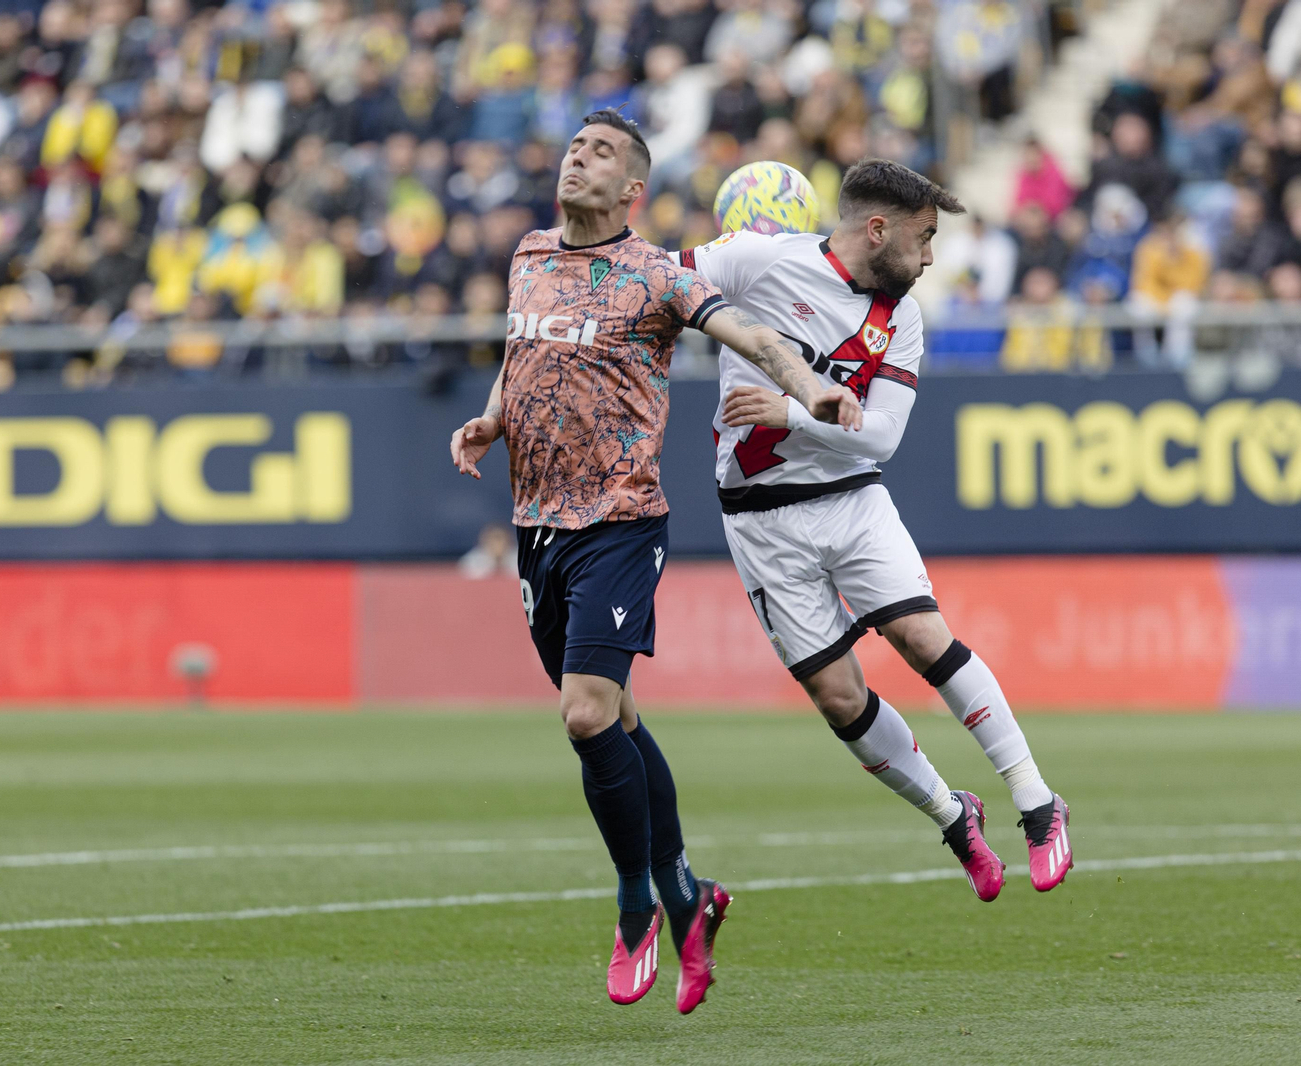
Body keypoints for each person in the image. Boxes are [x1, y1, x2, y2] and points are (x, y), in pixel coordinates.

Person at [448, 110, 860, 1012]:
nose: (577, 159)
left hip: (621, 523)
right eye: (574, 147)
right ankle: (687, 894)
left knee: (585, 715)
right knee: (619, 720)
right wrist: (494, 417)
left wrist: (813, 389)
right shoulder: (528, 254)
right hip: (537, 526)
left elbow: (752, 338)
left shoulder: (658, 276)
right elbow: (523, 351)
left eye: (598, 153)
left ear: (632, 188)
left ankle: (635, 905)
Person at [673, 158, 1074, 904]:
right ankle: (954, 817)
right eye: (925, 240)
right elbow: (655, 279)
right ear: (879, 229)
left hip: (852, 500)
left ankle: (1037, 801)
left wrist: (791, 412)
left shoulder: (903, 320)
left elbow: (883, 437)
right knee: (837, 697)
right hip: (758, 519)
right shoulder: (760, 260)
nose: (931, 259)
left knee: (922, 637)